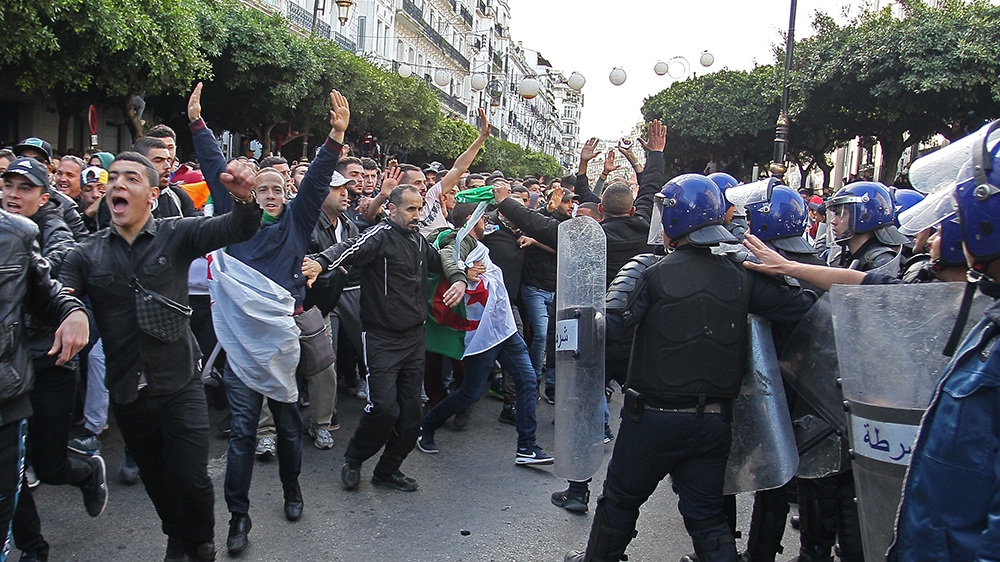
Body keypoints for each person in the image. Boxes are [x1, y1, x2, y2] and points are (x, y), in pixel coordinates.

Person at [564, 173, 815, 562]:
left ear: (674, 217)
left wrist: (574, 314)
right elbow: (803, 308)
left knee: (620, 502)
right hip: (712, 422)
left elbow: (606, 329)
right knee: (707, 518)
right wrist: (780, 270)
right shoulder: (743, 274)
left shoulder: (650, 270)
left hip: (651, 420)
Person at [59, 148, 261, 562]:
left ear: (153, 195)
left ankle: (201, 541)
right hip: (127, 391)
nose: (119, 183)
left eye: (132, 178)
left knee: (192, 478)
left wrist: (244, 198)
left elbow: (238, 227)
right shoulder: (87, 252)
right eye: (114, 177)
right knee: (156, 479)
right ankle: (176, 536)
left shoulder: (177, 233)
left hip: (179, 382)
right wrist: (73, 310)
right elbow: (62, 289)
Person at [187, 84, 350, 554]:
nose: (272, 194)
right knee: (242, 432)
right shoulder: (232, 217)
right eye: (263, 189)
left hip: (281, 342)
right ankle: (238, 518)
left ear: (287, 195)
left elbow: (317, 180)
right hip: (240, 345)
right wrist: (197, 123)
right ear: (251, 195)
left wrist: (336, 136)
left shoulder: (298, 220)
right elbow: (216, 169)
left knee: (288, 425)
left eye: (279, 188)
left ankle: (292, 490)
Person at [311, 184, 451, 493]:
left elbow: (440, 261)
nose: (417, 215)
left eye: (419, 208)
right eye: (410, 209)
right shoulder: (379, 236)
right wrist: (320, 262)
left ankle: (388, 470)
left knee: (412, 413)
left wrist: (461, 272)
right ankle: (354, 460)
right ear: (392, 209)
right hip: (381, 338)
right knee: (384, 409)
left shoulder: (419, 240)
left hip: (414, 338)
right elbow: (348, 248)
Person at [1, 157, 105, 561]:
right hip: (9, 372)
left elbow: (63, 268)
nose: (13, 195)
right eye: (8, 185)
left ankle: (87, 471)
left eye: (24, 188)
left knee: (49, 466)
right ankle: (33, 547)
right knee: (10, 470)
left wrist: (71, 309)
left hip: (50, 362)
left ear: (44, 197)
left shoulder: (49, 228)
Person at [416, 201, 552, 465]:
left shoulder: (477, 244)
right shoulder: (459, 240)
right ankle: (427, 426)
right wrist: (459, 277)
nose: (487, 222)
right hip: (482, 335)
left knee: (527, 381)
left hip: (504, 328)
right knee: (470, 393)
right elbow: (449, 255)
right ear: (471, 219)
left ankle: (527, 447)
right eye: (483, 218)